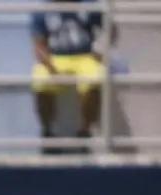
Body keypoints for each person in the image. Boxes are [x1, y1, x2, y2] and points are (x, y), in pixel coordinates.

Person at [31, 0, 113, 147]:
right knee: (41, 81)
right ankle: (48, 132)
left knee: (95, 78)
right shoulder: (43, 10)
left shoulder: (89, 6)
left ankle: (85, 132)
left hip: (85, 56)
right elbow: (39, 45)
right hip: (54, 57)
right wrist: (51, 68)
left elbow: (109, 29)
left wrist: (99, 50)